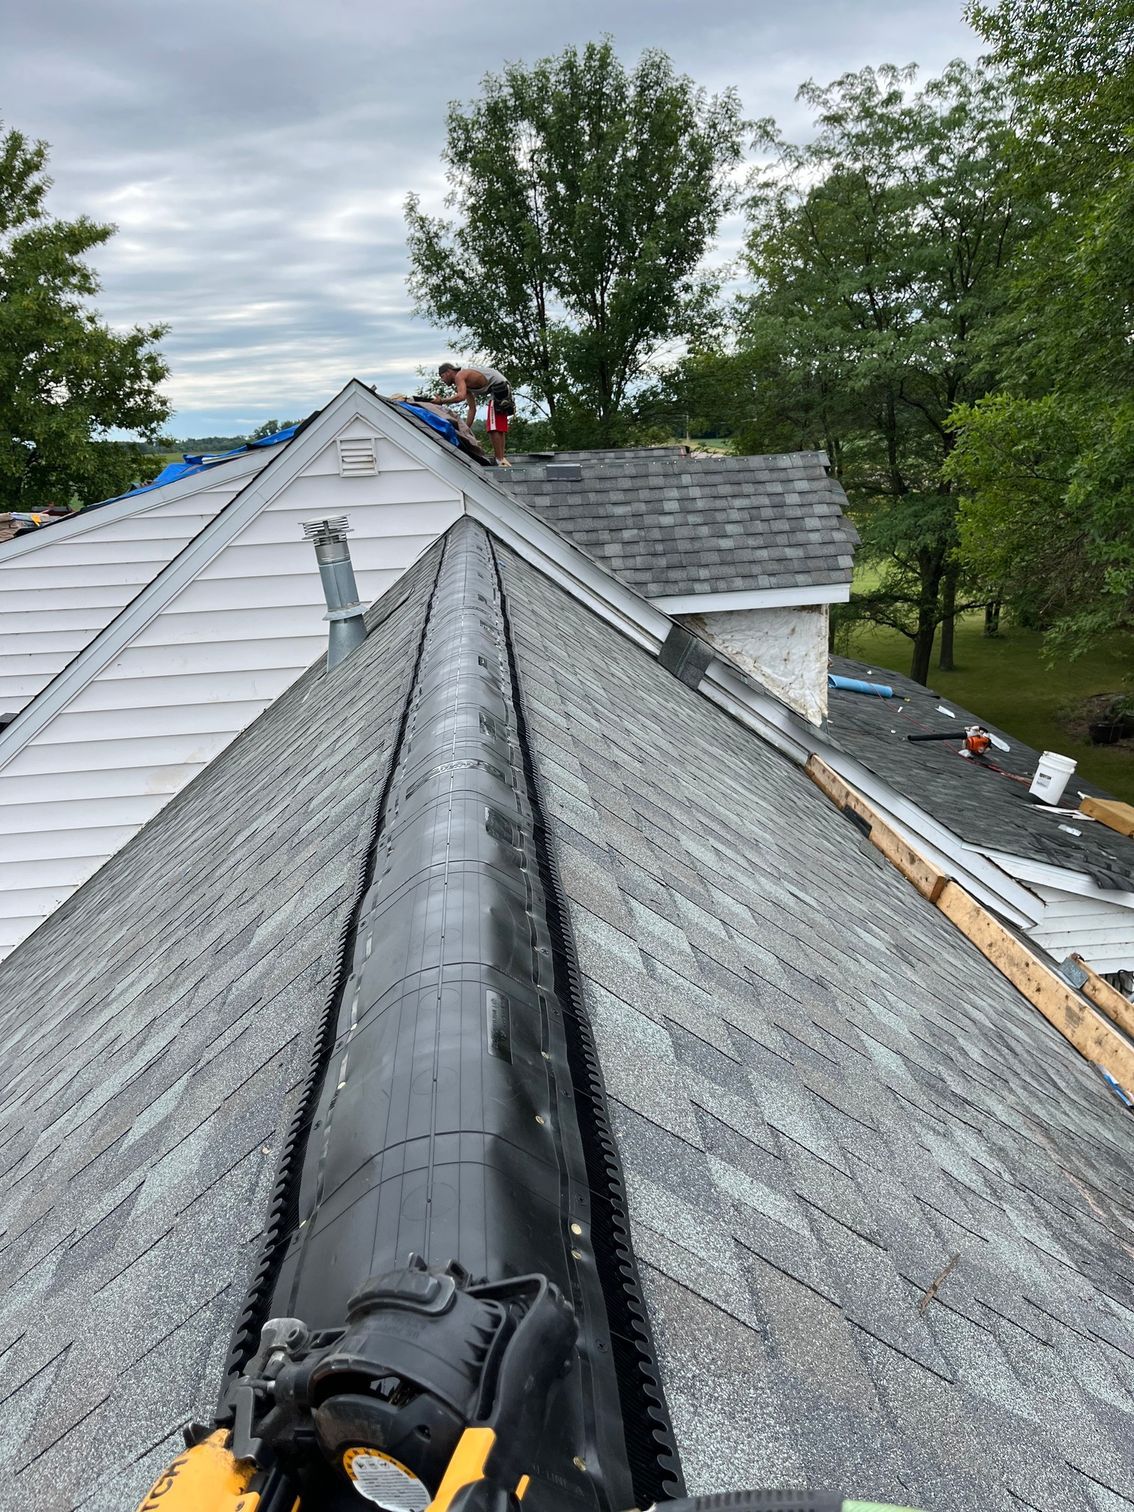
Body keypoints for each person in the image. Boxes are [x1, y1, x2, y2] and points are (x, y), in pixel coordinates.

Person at [435, 362, 515, 466]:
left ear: (448, 372)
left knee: (493, 427)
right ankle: (501, 458)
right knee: (497, 426)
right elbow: (472, 409)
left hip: (499, 388)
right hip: (501, 389)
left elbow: (460, 397)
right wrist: (465, 429)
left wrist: (441, 401)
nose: (442, 380)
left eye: (442, 376)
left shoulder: (460, 375)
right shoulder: (464, 383)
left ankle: (499, 459)